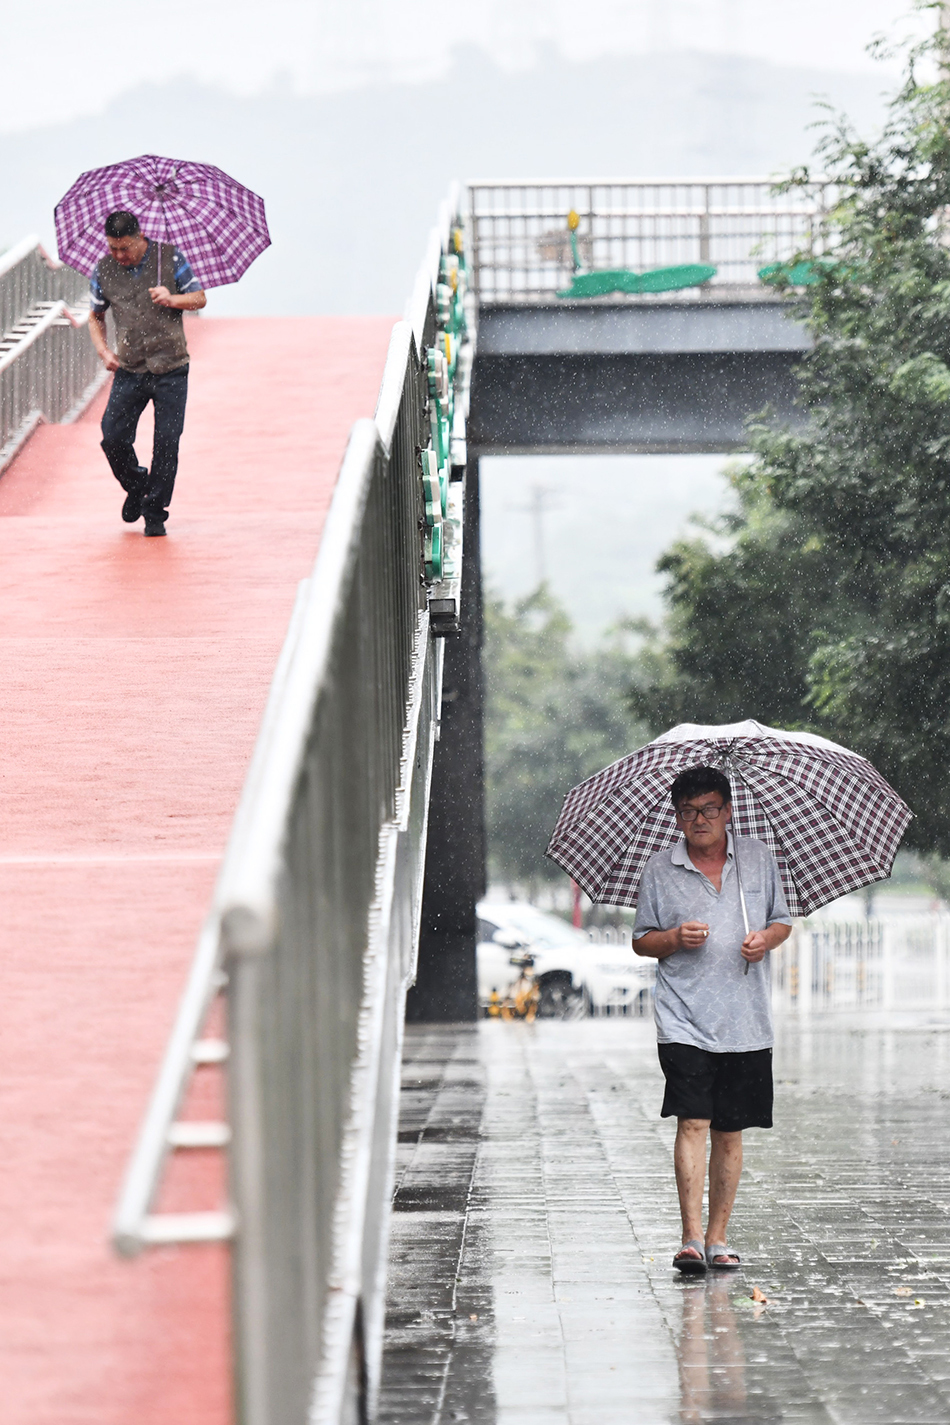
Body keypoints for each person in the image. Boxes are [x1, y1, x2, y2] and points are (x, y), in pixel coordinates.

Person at [632, 765, 792, 1274]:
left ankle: (720, 1239)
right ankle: (690, 1238)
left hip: (745, 1020)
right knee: (693, 1121)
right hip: (683, 1018)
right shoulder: (660, 870)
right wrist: (674, 938)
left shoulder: (758, 859)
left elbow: (782, 920)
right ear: (677, 817)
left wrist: (765, 940)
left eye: (708, 809)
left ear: (727, 810)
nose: (698, 820)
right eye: (687, 812)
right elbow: (641, 940)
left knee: (729, 1129)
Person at [88, 210, 206, 536]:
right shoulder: (104, 270)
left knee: (166, 443)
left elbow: (200, 298)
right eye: (113, 248)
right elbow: (95, 315)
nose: (119, 255)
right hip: (130, 368)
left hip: (171, 368)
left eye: (124, 248)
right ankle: (136, 484)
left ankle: (155, 512)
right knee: (112, 436)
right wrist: (103, 350)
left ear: (141, 237)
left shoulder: (170, 257)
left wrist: (173, 298)